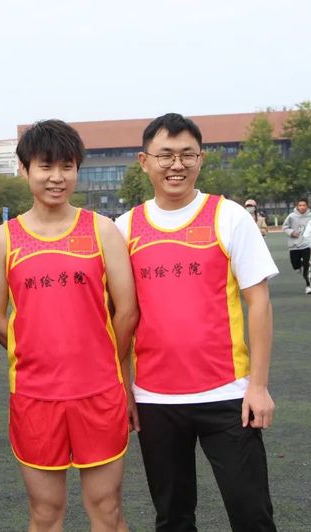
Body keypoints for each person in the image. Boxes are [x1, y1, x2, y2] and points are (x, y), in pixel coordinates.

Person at [115, 113, 278, 531]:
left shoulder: (229, 217)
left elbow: (258, 302)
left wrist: (258, 387)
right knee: (173, 517)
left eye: (187, 155)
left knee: (251, 514)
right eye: (165, 155)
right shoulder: (125, 228)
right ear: (144, 161)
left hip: (228, 393)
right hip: (155, 398)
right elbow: (120, 319)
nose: (177, 165)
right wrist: (125, 388)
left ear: (201, 159)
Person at [0, 120, 138, 531]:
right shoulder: (2, 240)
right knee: (46, 512)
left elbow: (126, 311)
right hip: (35, 396)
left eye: (67, 167)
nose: (56, 177)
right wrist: (34, 350)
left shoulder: (102, 230)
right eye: (45, 166)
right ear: (24, 169)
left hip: (99, 392)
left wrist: (104, 360)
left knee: (106, 509)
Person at [281, 198, 311, 294]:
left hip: (307, 245)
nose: (302, 207)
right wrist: (291, 232)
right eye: (300, 205)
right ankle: (298, 266)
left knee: (307, 265)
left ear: (307, 206)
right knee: (295, 265)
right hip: (294, 245)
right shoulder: (291, 216)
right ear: (297, 206)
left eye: (304, 205)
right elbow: (285, 227)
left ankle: (308, 286)